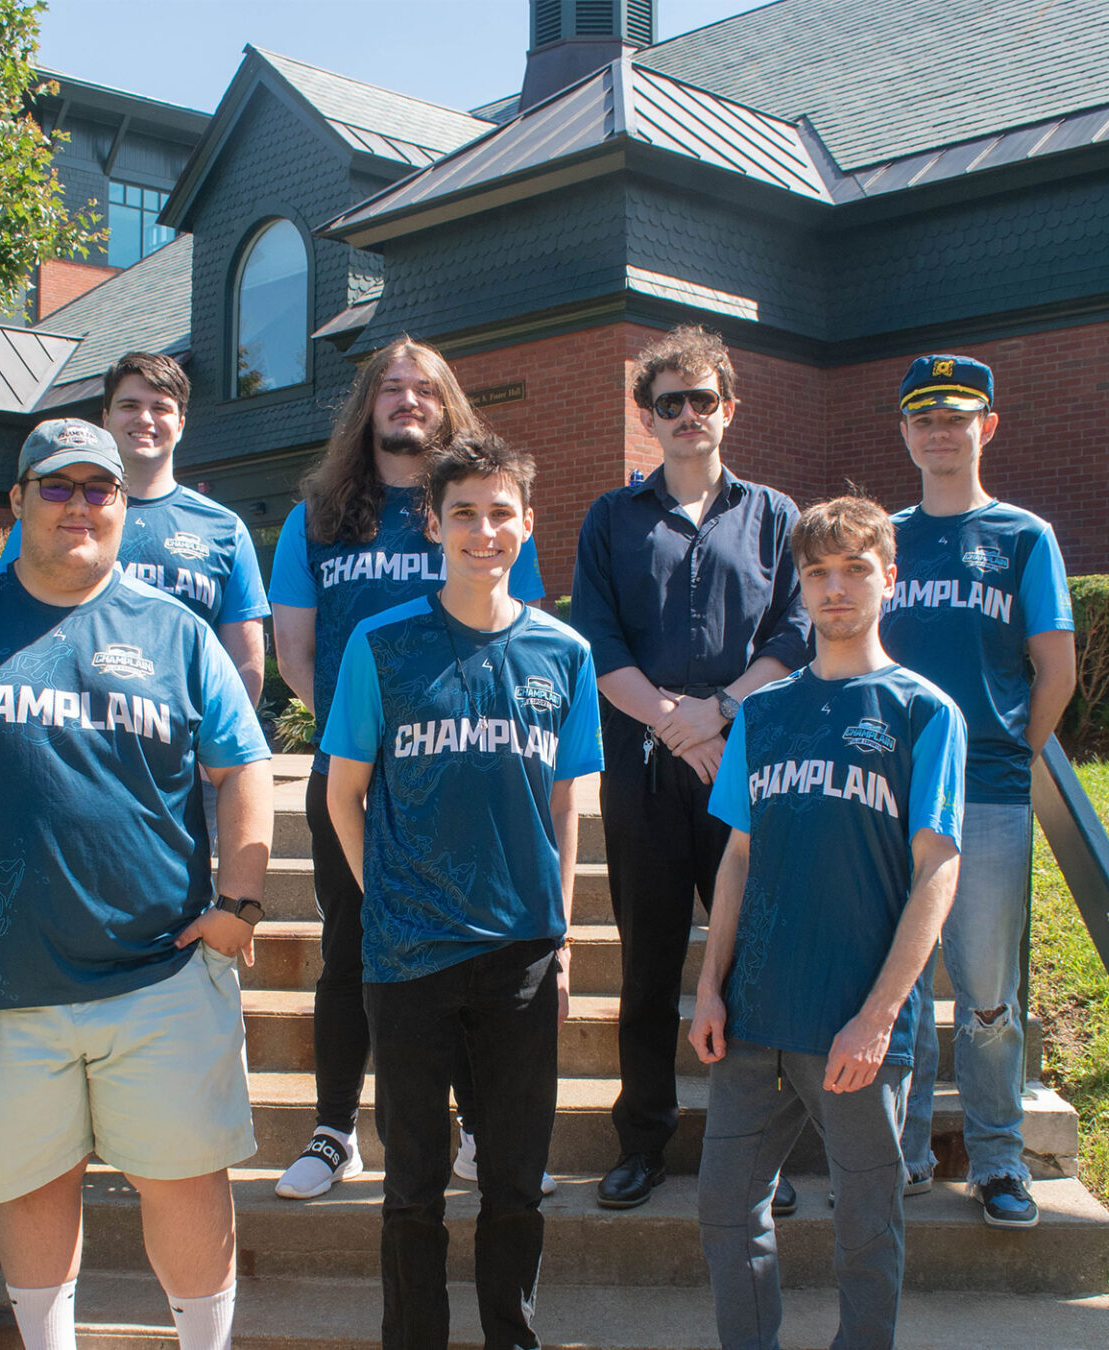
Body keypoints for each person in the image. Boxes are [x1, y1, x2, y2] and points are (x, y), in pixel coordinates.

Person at [0, 417, 274, 1350]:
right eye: (59, 486)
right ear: (19, 501)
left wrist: (238, 904)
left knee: (188, 1181)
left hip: (159, 975)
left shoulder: (177, 633)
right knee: (29, 1185)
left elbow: (244, 769)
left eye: (100, 489)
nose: (81, 505)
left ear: (123, 504)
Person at [319, 432, 601, 1350]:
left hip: (520, 951)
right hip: (408, 958)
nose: (485, 531)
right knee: (412, 1191)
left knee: (516, 1184)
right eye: (465, 514)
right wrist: (387, 901)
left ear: (528, 523)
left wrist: (559, 938)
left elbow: (566, 806)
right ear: (435, 524)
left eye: (502, 513)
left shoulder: (563, 653)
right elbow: (340, 793)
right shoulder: (384, 642)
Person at [268, 337, 548, 1200]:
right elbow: (294, 651)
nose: (406, 401)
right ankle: (332, 1133)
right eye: (389, 388)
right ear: (367, 407)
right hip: (355, 771)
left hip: (464, 767)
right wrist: (363, 740)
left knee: (465, 946)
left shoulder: (476, 508)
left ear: (445, 403)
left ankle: (468, 1126)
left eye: (423, 389)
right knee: (351, 943)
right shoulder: (317, 514)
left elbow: (514, 636)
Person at [688, 494, 966, 1350]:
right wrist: (708, 988)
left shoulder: (925, 712)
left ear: (891, 578)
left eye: (855, 570)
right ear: (800, 590)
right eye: (817, 573)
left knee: (867, 1226)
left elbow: (938, 871)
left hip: (855, 1025)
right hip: (753, 1017)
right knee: (726, 1211)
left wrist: (879, 1017)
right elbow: (738, 857)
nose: (835, 589)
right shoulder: (764, 714)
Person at [569, 324, 809, 1210]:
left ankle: (756, 1152)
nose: (686, 417)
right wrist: (677, 723)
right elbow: (596, 640)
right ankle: (643, 1142)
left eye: (701, 400)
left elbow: (794, 631)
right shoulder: (610, 519)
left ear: (728, 410)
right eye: (668, 404)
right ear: (649, 418)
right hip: (643, 767)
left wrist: (721, 712)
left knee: (749, 960)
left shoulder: (777, 516)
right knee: (649, 966)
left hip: (747, 768)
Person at [879, 354, 1076, 1230]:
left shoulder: (1025, 537)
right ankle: (908, 1153)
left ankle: (998, 1160)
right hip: (887, 793)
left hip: (989, 797)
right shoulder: (883, 536)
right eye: (924, 419)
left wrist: (996, 755)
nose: (940, 433)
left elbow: (1056, 670)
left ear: (986, 428)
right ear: (906, 434)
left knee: (989, 991)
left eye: (956, 417)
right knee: (902, 984)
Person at [0, 351, 269, 706]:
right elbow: (9, 620)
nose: (145, 418)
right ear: (106, 419)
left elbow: (245, 664)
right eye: (130, 405)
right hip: (68, 735)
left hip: (181, 747)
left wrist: (219, 752)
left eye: (160, 407)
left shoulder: (226, 529)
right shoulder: (52, 514)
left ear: (181, 423)